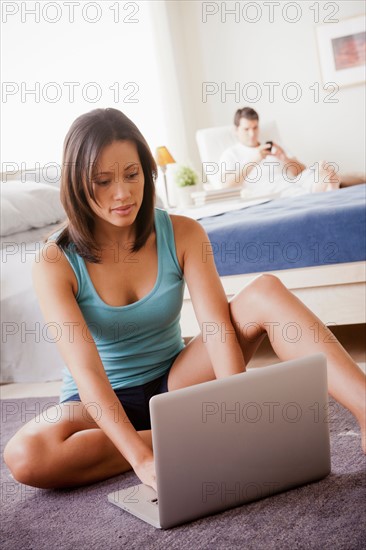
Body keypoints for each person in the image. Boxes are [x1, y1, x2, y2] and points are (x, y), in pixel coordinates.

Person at [4, 108, 365, 492]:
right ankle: (189, 435)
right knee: (26, 456)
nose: (123, 193)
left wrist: (240, 413)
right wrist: (142, 460)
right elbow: (88, 375)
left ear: (147, 171)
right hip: (96, 404)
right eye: (103, 181)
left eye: (132, 174)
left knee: (265, 292)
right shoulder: (54, 261)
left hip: (175, 381)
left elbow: (217, 330)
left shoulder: (184, 233)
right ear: (77, 184)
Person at [219, 107, 365, 195]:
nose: (252, 133)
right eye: (246, 129)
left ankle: (330, 186)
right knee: (298, 187)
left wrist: (284, 158)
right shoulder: (231, 154)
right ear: (236, 130)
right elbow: (225, 185)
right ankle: (330, 189)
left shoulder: (273, 147)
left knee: (317, 169)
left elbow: (301, 171)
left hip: (294, 181)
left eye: (255, 127)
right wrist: (255, 159)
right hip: (270, 191)